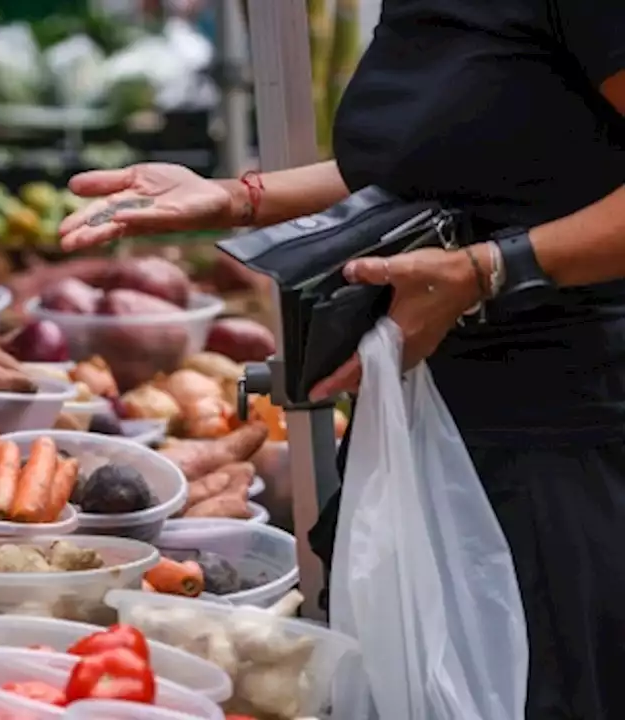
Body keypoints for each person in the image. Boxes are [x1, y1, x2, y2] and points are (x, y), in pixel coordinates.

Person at [57, 1, 625, 716]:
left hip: (561, 443)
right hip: (433, 420)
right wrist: (236, 199)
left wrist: (488, 269)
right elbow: (433, 168)